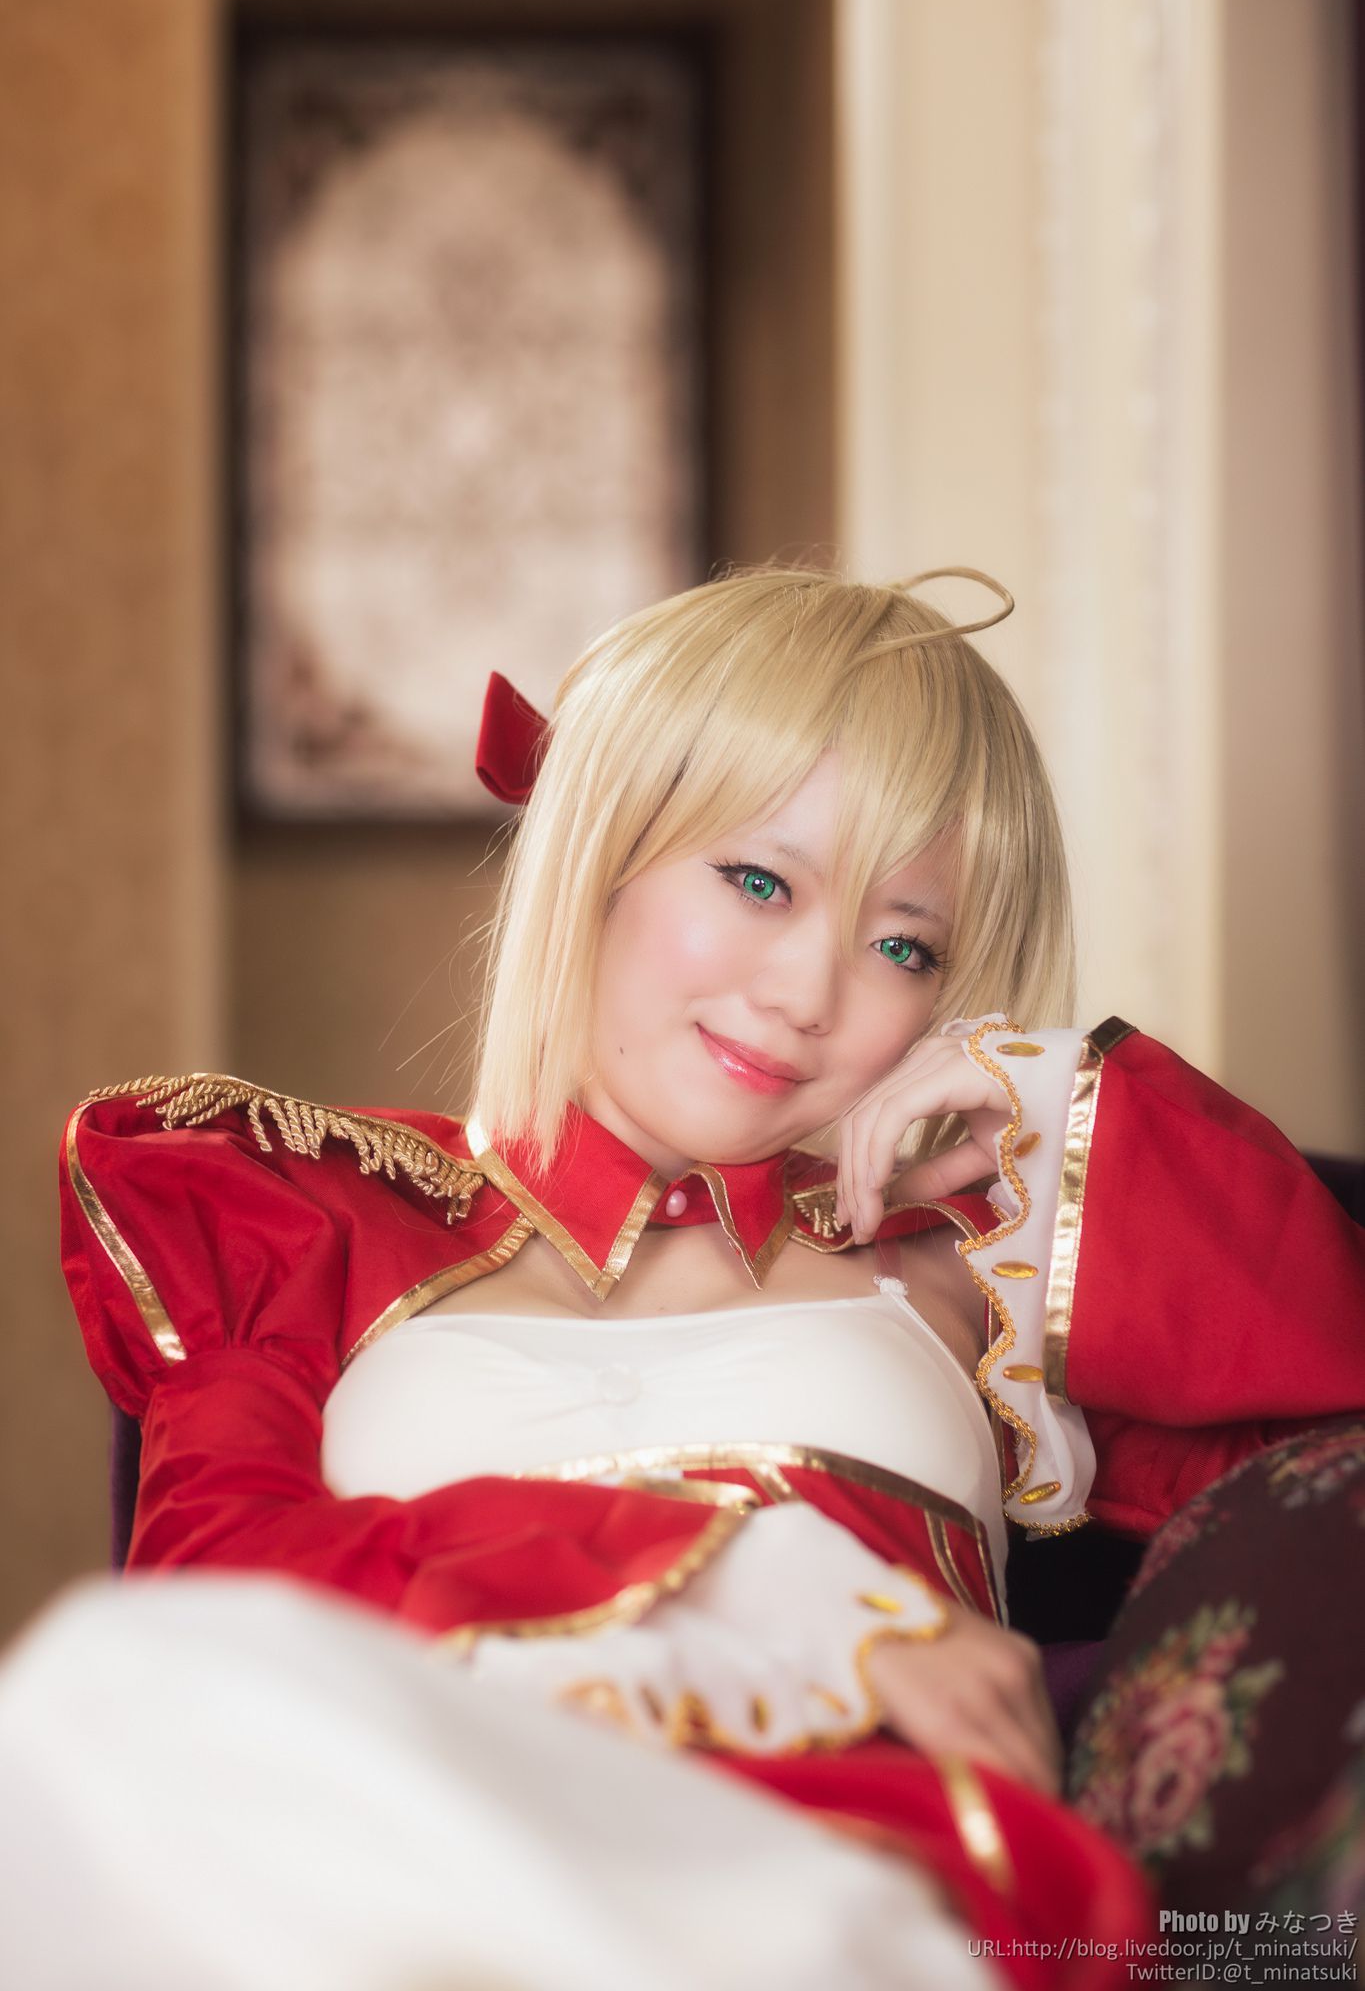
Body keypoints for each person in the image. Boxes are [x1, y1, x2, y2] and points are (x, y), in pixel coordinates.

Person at [34, 565, 1365, 1990]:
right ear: (599, 845)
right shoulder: (301, 1227)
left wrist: (1067, 1124)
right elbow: (204, 1621)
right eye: (758, 881)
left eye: (901, 945)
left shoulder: (974, 1267)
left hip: (814, 1877)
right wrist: (752, 1583)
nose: (806, 996)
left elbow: (1319, 1468)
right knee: (88, 1687)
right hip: (378, 1860)